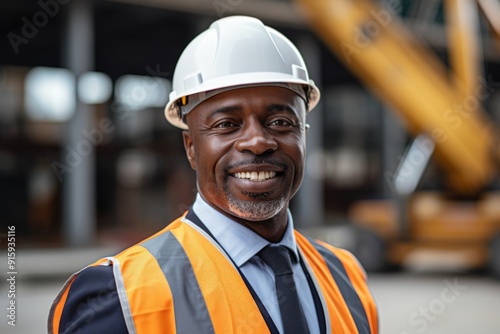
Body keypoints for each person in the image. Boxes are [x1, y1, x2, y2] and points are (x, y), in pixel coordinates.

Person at [48, 15, 378, 334]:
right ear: (191, 147)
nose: (258, 142)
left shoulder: (346, 276)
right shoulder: (121, 296)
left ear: (303, 135)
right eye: (226, 124)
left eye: (280, 122)